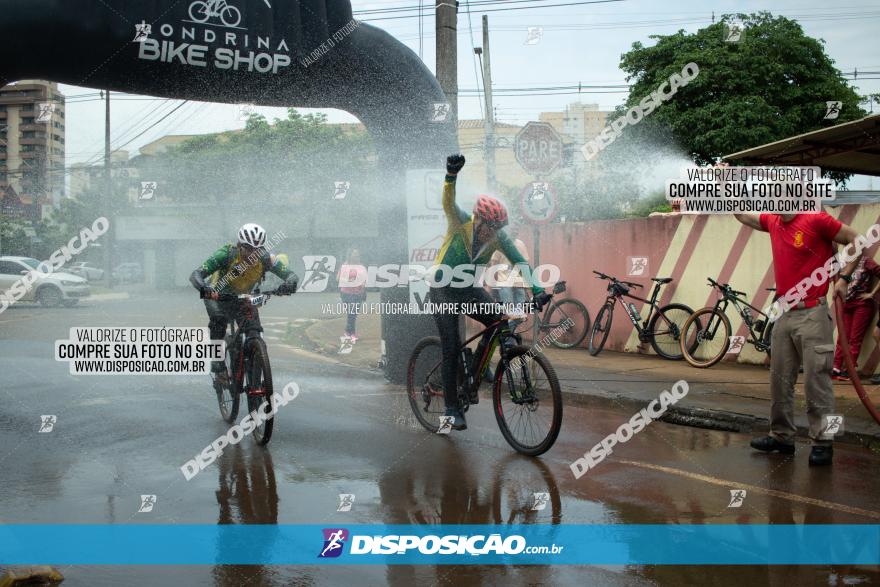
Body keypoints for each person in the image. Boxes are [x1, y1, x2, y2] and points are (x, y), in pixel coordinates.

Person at [433, 154, 550, 431]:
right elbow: (447, 202)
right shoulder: (460, 222)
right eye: (490, 228)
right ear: (479, 221)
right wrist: (451, 176)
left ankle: (477, 362)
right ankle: (451, 410)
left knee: (500, 321)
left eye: (498, 229)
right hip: (443, 290)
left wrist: (537, 289)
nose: (493, 234)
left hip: (468, 290)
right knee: (450, 348)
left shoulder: (498, 236)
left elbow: (519, 262)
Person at [734, 212, 861, 466]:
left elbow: (858, 240)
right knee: (779, 379)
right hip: (783, 313)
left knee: (818, 381)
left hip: (813, 312)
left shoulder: (816, 219)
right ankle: (781, 437)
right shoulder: (773, 221)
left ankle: (823, 442)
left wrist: (845, 279)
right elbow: (742, 215)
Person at [190, 223, 298, 384]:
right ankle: (218, 365)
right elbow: (196, 274)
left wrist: (288, 284)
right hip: (218, 296)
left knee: (254, 330)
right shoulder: (226, 254)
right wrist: (205, 288)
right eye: (248, 248)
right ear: (239, 245)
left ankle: (254, 361)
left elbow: (291, 275)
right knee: (218, 320)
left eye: (258, 249)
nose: (253, 254)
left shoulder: (267, 259)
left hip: (244, 298)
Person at [831, 256, 880, 381]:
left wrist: (871, 294)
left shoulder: (866, 261)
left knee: (854, 339)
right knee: (842, 337)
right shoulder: (842, 261)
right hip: (846, 304)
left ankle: (849, 370)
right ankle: (836, 367)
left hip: (861, 305)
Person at [488, 231, 531, 332]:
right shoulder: (500, 244)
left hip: (518, 283)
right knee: (509, 313)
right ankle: (508, 340)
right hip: (504, 284)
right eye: (513, 228)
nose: (515, 231)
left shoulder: (520, 244)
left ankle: (504, 335)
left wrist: (528, 285)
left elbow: (525, 264)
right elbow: (493, 265)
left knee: (520, 315)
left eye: (516, 228)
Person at [337, 249, 367, 341]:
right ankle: (350, 333)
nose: (356, 257)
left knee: (353, 314)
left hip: (358, 293)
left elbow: (364, 279)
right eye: (354, 255)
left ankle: (349, 332)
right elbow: (338, 278)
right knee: (351, 313)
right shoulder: (345, 266)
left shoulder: (361, 266)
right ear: (350, 256)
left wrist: (363, 283)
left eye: (357, 255)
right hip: (347, 293)